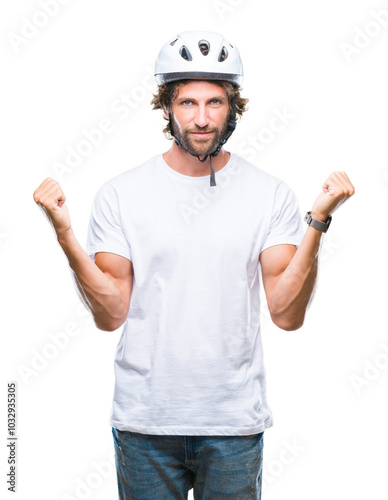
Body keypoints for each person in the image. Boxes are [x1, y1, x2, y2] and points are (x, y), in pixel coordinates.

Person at [33, 30, 355, 500]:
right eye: (187, 103)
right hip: (145, 424)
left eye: (215, 102)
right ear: (166, 107)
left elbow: (287, 313)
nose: (201, 119)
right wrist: (65, 233)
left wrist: (318, 221)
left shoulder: (269, 194)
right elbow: (110, 315)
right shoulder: (122, 194)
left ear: (233, 108)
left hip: (233, 426)